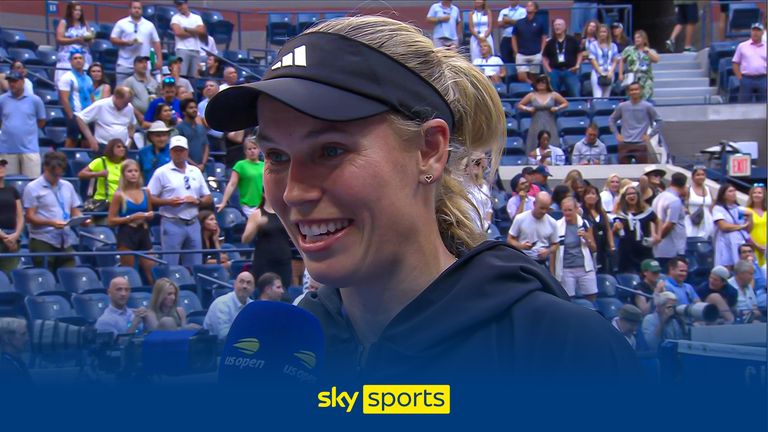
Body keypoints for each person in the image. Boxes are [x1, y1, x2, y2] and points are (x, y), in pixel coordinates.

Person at [205, 16, 638, 383]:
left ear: (429, 150)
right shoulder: (282, 357)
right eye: (276, 155)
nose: (293, 191)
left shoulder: (564, 351)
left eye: (330, 150)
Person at [148, 136, 212, 267]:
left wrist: (197, 201)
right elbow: (149, 197)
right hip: (172, 221)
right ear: (170, 152)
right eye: (175, 150)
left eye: (181, 150)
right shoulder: (161, 172)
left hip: (193, 221)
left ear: (187, 152)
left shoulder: (195, 171)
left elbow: (208, 197)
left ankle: (193, 286)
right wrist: (168, 202)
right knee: (171, 263)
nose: (179, 153)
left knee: (195, 264)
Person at [23, 152, 89, 273]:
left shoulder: (67, 186)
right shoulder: (32, 188)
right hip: (43, 239)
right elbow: (29, 217)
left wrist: (82, 219)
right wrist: (51, 223)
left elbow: (74, 211)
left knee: (70, 273)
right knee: (45, 275)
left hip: (65, 239)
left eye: (59, 174)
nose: (56, 178)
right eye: (53, 174)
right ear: (45, 167)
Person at [107, 159, 155, 283]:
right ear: (124, 174)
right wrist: (130, 218)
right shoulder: (119, 195)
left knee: (152, 270)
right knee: (128, 272)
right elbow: (111, 220)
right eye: (129, 171)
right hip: (126, 233)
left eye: (136, 171)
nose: (133, 174)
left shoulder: (146, 192)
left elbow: (150, 213)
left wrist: (147, 215)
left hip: (143, 232)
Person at [241, 194, 293, 290]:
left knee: (283, 291)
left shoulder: (285, 213)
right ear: (264, 194)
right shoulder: (257, 214)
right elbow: (245, 239)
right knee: (263, 291)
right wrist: (256, 225)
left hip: (283, 260)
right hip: (264, 261)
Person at [0, 71, 46, 177]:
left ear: (23, 81)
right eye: (10, 81)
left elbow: (41, 122)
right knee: (9, 182)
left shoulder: (35, 100)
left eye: (15, 81)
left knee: (32, 182)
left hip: (30, 148)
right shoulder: (2, 100)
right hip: (7, 148)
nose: (12, 84)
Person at [552, 197, 598, 301]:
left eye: (570, 210)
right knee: (568, 299)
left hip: (585, 268)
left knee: (591, 297)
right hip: (566, 269)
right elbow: (554, 252)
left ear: (576, 209)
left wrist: (587, 238)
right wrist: (553, 273)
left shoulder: (585, 224)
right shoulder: (557, 226)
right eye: (565, 210)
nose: (567, 213)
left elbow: (594, 248)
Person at [110, 0, 163, 84]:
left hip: (144, 65)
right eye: (134, 8)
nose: (137, 10)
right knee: (121, 91)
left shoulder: (149, 25)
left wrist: (159, 60)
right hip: (125, 64)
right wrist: (126, 42)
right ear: (129, 9)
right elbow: (113, 39)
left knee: (143, 92)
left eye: (139, 8)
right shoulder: (121, 23)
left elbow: (156, 42)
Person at [609, 82, 662, 164]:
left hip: (640, 144)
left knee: (642, 171)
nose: (634, 92)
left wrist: (650, 135)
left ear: (640, 91)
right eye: (631, 90)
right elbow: (611, 120)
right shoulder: (622, 106)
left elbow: (659, 121)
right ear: (629, 92)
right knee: (623, 172)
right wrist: (616, 134)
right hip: (624, 143)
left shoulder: (648, 106)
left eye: (636, 89)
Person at [75, 86, 136, 151]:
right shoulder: (101, 105)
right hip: (103, 146)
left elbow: (132, 124)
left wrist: (130, 139)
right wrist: (91, 139)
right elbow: (80, 118)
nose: (126, 105)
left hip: (122, 147)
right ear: (116, 97)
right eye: (125, 103)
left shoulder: (129, 107)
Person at [517, 75, 567, 153]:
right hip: (536, 122)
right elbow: (519, 105)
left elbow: (565, 103)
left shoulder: (553, 94)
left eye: (543, 82)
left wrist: (557, 108)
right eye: (539, 82)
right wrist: (527, 109)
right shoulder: (532, 95)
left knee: (552, 140)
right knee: (534, 141)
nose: (541, 84)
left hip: (550, 122)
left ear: (547, 84)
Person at [613, 185, 656, 274]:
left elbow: (658, 222)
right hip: (626, 251)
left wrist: (657, 236)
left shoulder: (647, 212)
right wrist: (616, 228)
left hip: (643, 250)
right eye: (628, 194)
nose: (631, 196)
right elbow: (611, 232)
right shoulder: (619, 214)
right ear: (624, 197)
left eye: (634, 193)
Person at [507, 191, 558, 267]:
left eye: (547, 209)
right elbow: (509, 240)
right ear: (534, 204)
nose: (544, 211)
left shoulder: (552, 223)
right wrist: (522, 246)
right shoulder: (520, 218)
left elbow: (556, 244)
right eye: (541, 208)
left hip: (541, 262)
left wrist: (547, 251)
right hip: (523, 260)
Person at [218, 138, 264, 218]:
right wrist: (224, 202)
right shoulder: (240, 165)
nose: (252, 151)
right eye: (249, 149)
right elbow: (232, 184)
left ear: (259, 149)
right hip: (249, 207)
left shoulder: (264, 165)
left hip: (264, 205)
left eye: (254, 148)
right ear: (245, 151)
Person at [58, 49, 94, 148]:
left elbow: (92, 97)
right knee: (72, 140)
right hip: (75, 114)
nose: (78, 60)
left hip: (88, 115)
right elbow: (64, 99)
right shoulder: (66, 77)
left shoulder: (88, 78)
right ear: (70, 61)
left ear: (84, 61)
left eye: (80, 58)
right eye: (75, 58)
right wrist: (71, 117)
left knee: (87, 142)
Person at [203, 271, 255, 340]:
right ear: (234, 285)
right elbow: (224, 336)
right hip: (216, 347)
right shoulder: (222, 304)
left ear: (253, 288)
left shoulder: (253, 305)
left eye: (248, 283)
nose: (244, 286)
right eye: (241, 282)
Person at [651, 172, 687, 270]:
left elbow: (652, 221)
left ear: (671, 182)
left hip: (659, 250)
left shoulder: (657, 198)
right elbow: (670, 224)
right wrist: (658, 238)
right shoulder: (675, 200)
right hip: (672, 250)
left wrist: (654, 238)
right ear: (684, 185)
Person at [713, 183, 752, 269]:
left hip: (739, 243)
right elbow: (723, 226)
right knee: (727, 267)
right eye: (730, 191)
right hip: (725, 243)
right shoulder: (718, 208)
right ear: (723, 195)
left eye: (734, 191)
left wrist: (750, 217)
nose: (734, 193)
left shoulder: (739, 209)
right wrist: (741, 227)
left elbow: (748, 229)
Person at [78, 138, 127, 206]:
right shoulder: (101, 161)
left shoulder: (125, 164)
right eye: (118, 147)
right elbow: (81, 174)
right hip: (103, 202)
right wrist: (98, 174)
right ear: (111, 148)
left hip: (121, 202)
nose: (122, 149)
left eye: (123, 147)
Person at [54, 1, 93, 84]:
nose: (78, 12)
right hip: (67, 58)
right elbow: (59, 39)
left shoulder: (84, 23)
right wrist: (75, 40)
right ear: (70, 11)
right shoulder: (64, 22)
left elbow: (91, 40)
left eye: (80, 10)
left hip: (83, 56)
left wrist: (87, 40)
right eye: (76, 10)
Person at [542, 18, 582, 98]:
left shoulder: (572, 40)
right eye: (555, 25)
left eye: (559, 25)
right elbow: (544, 58)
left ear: (564, 27)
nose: (557, 27)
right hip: (555, 71)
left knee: (575, 93)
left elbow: (579, 53)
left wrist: (577, 65)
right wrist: (549, 70)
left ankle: (578, 107)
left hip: (570, 70)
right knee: (553, 95)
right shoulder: (550, 42)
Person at [582, 184, 615, 273]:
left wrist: (612, 245)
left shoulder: (602, 211)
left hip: (603, 248)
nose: (591, 196)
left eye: (593, 193)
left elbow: (608, 229)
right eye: (588, 193)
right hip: (589, 248)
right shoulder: (581, 212)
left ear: (597, 197)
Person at [512, 1, 547, 83]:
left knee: (534, 75)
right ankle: (533, 86)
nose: (528, 7)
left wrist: (541, 52)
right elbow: (514, 37)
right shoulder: (519, 22)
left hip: (535, 53)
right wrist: (516, 51)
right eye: (527, 5)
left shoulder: (540, 22)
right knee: (521, 76)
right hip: (521, 53)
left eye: (531, 5)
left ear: (536, 9)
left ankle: (533, 90)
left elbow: (544, 37)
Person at [620, 30, 659, 101]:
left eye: (638, 38)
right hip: (632, 76)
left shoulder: (650, 51)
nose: (636, 39)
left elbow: (656, 60)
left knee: (645, 99)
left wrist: (647, 51)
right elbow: (622, 60)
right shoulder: (629, 49)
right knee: (631, 98)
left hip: (645, 77)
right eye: (635, 38)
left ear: (644, 39)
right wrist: (620, 74)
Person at [170, 0, 205, 79]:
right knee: (182, 75)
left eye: (181, 5)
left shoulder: (197, 18)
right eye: (177, 6)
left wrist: (186, 29)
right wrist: (195, 32)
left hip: (196, 49)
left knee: (195, 77)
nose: (179, 7)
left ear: (186, 4)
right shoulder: (175, 18)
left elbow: (202, 31)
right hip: (182, 49)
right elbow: (178, 33)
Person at [732, 23, 766, 103]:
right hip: (747, 79)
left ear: (762, 33)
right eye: (754, 30)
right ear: (751, 32)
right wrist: (740, 78)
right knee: (744, 106)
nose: (755, 33)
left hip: (763, 79)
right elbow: (735, 63)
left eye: (758, 30)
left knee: (763, 105)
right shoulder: (742, 46)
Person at [0, 159, 23, 276]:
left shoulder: (12, 190)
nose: (1, 168)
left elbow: (20, 216)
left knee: (11, 276)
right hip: (5, 238)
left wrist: (16, 235)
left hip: (12, 239)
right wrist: (5, 237)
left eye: (3, 165)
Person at [175, 98, 209, 171]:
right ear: (184, 112)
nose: (194, 110)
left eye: (195, 107)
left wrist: (203, 164)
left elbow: (206, 146)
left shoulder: (201, 127)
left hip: (202, 168)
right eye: (191, 108)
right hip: (185, 168)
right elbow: (179, 149)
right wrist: (195, 165)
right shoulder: (179, 128)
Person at [588, 24, 620, 98]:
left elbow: (615, 60)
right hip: (597, 72)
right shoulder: (593, 45)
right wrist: (601, 72)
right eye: (600, 32)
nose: (602, 34)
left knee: (606, 97)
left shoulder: (613, 46)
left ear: (608, 33)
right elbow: (593, 60)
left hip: (610, 72)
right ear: (598, 33)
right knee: (597, 96)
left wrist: (611, 72)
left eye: (604, 32)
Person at [464, 152, 493, 232]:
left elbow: (488, 209)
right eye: (472, 162)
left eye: (477, 164)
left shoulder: (484, 187)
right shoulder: (460, 186)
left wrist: (487, 224)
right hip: (466, 230)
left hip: (481, 230)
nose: (474, 166)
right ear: (466, 167)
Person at [0, 317, 31, 386]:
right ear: (7, 339)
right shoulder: (5, 370)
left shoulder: (17, 362)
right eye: (23, 334)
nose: (27, 338)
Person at [746, 184, 766, 266]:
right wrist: (756, 245)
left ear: (764, 195)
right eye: (754, 193)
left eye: (759, 193)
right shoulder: (746, 211)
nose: (757, 195)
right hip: (753, 247)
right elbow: (745, 231)